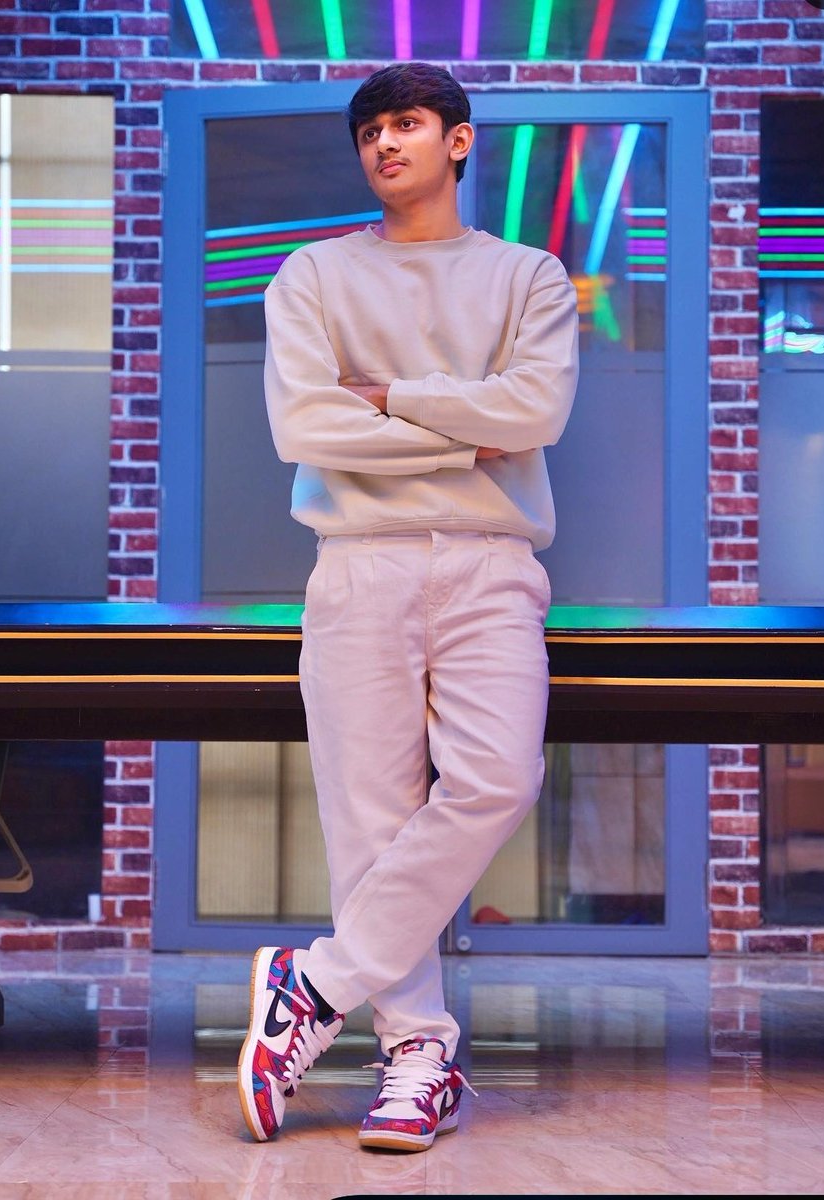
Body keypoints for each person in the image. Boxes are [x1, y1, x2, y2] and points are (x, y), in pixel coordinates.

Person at [238, 61, 579, 1152]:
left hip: (491, 563)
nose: (385, 144)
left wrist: (391, 398)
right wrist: (464, 436)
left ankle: (315, 984)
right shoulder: (313, 275)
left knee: (497, 779)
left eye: (408, 123)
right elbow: (305, 426)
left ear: (458, 140)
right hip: (359, 560)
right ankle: (416, 1055)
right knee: (370, 820)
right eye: (370, 131)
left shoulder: (527, 276)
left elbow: (536, 411)